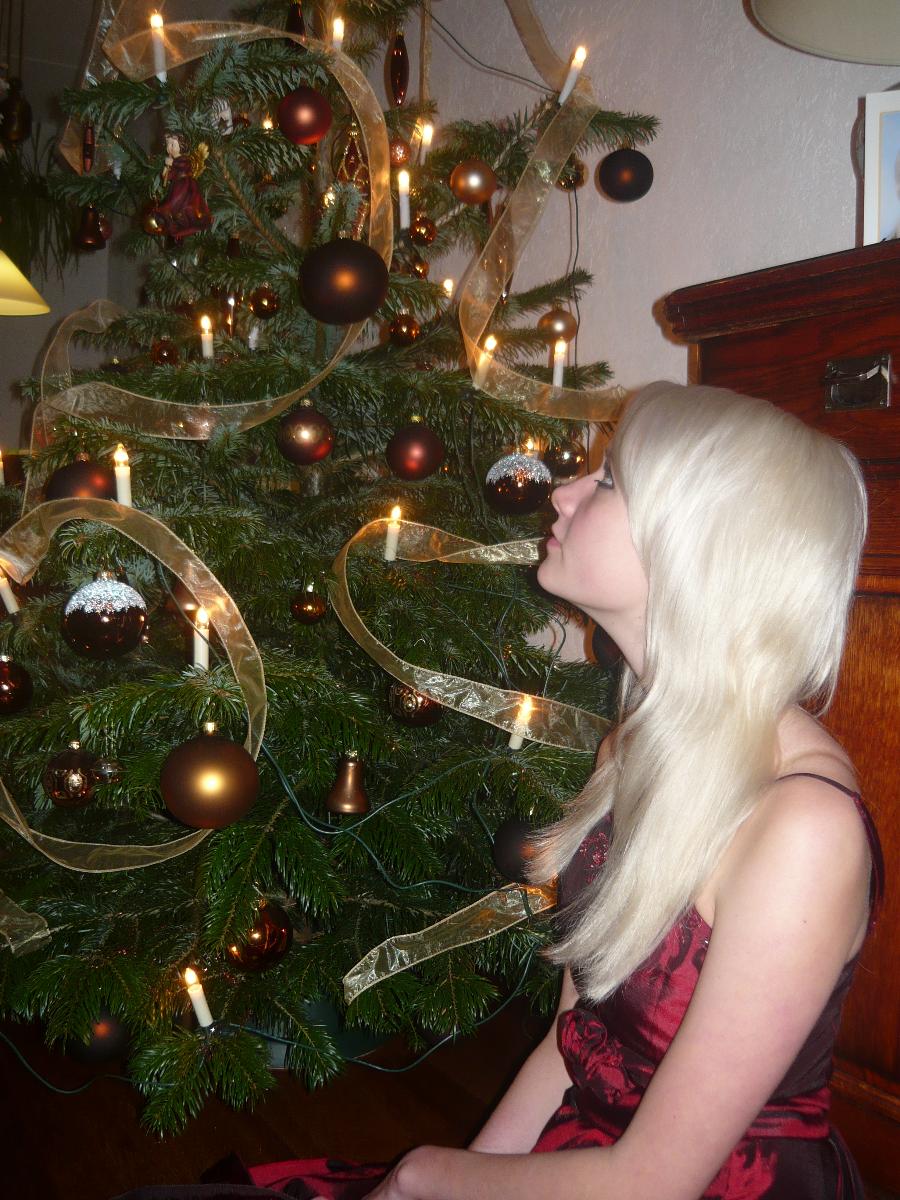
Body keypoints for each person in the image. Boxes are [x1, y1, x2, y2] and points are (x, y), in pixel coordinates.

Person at [123, 383, 881, 1200]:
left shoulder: (802, 830)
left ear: (697, 543)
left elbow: (653, 1181)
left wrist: (425, 1175)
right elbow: (574, 1041)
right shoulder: (632, 747)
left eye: (609, 482)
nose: (562, 492)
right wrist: (448, 1182)